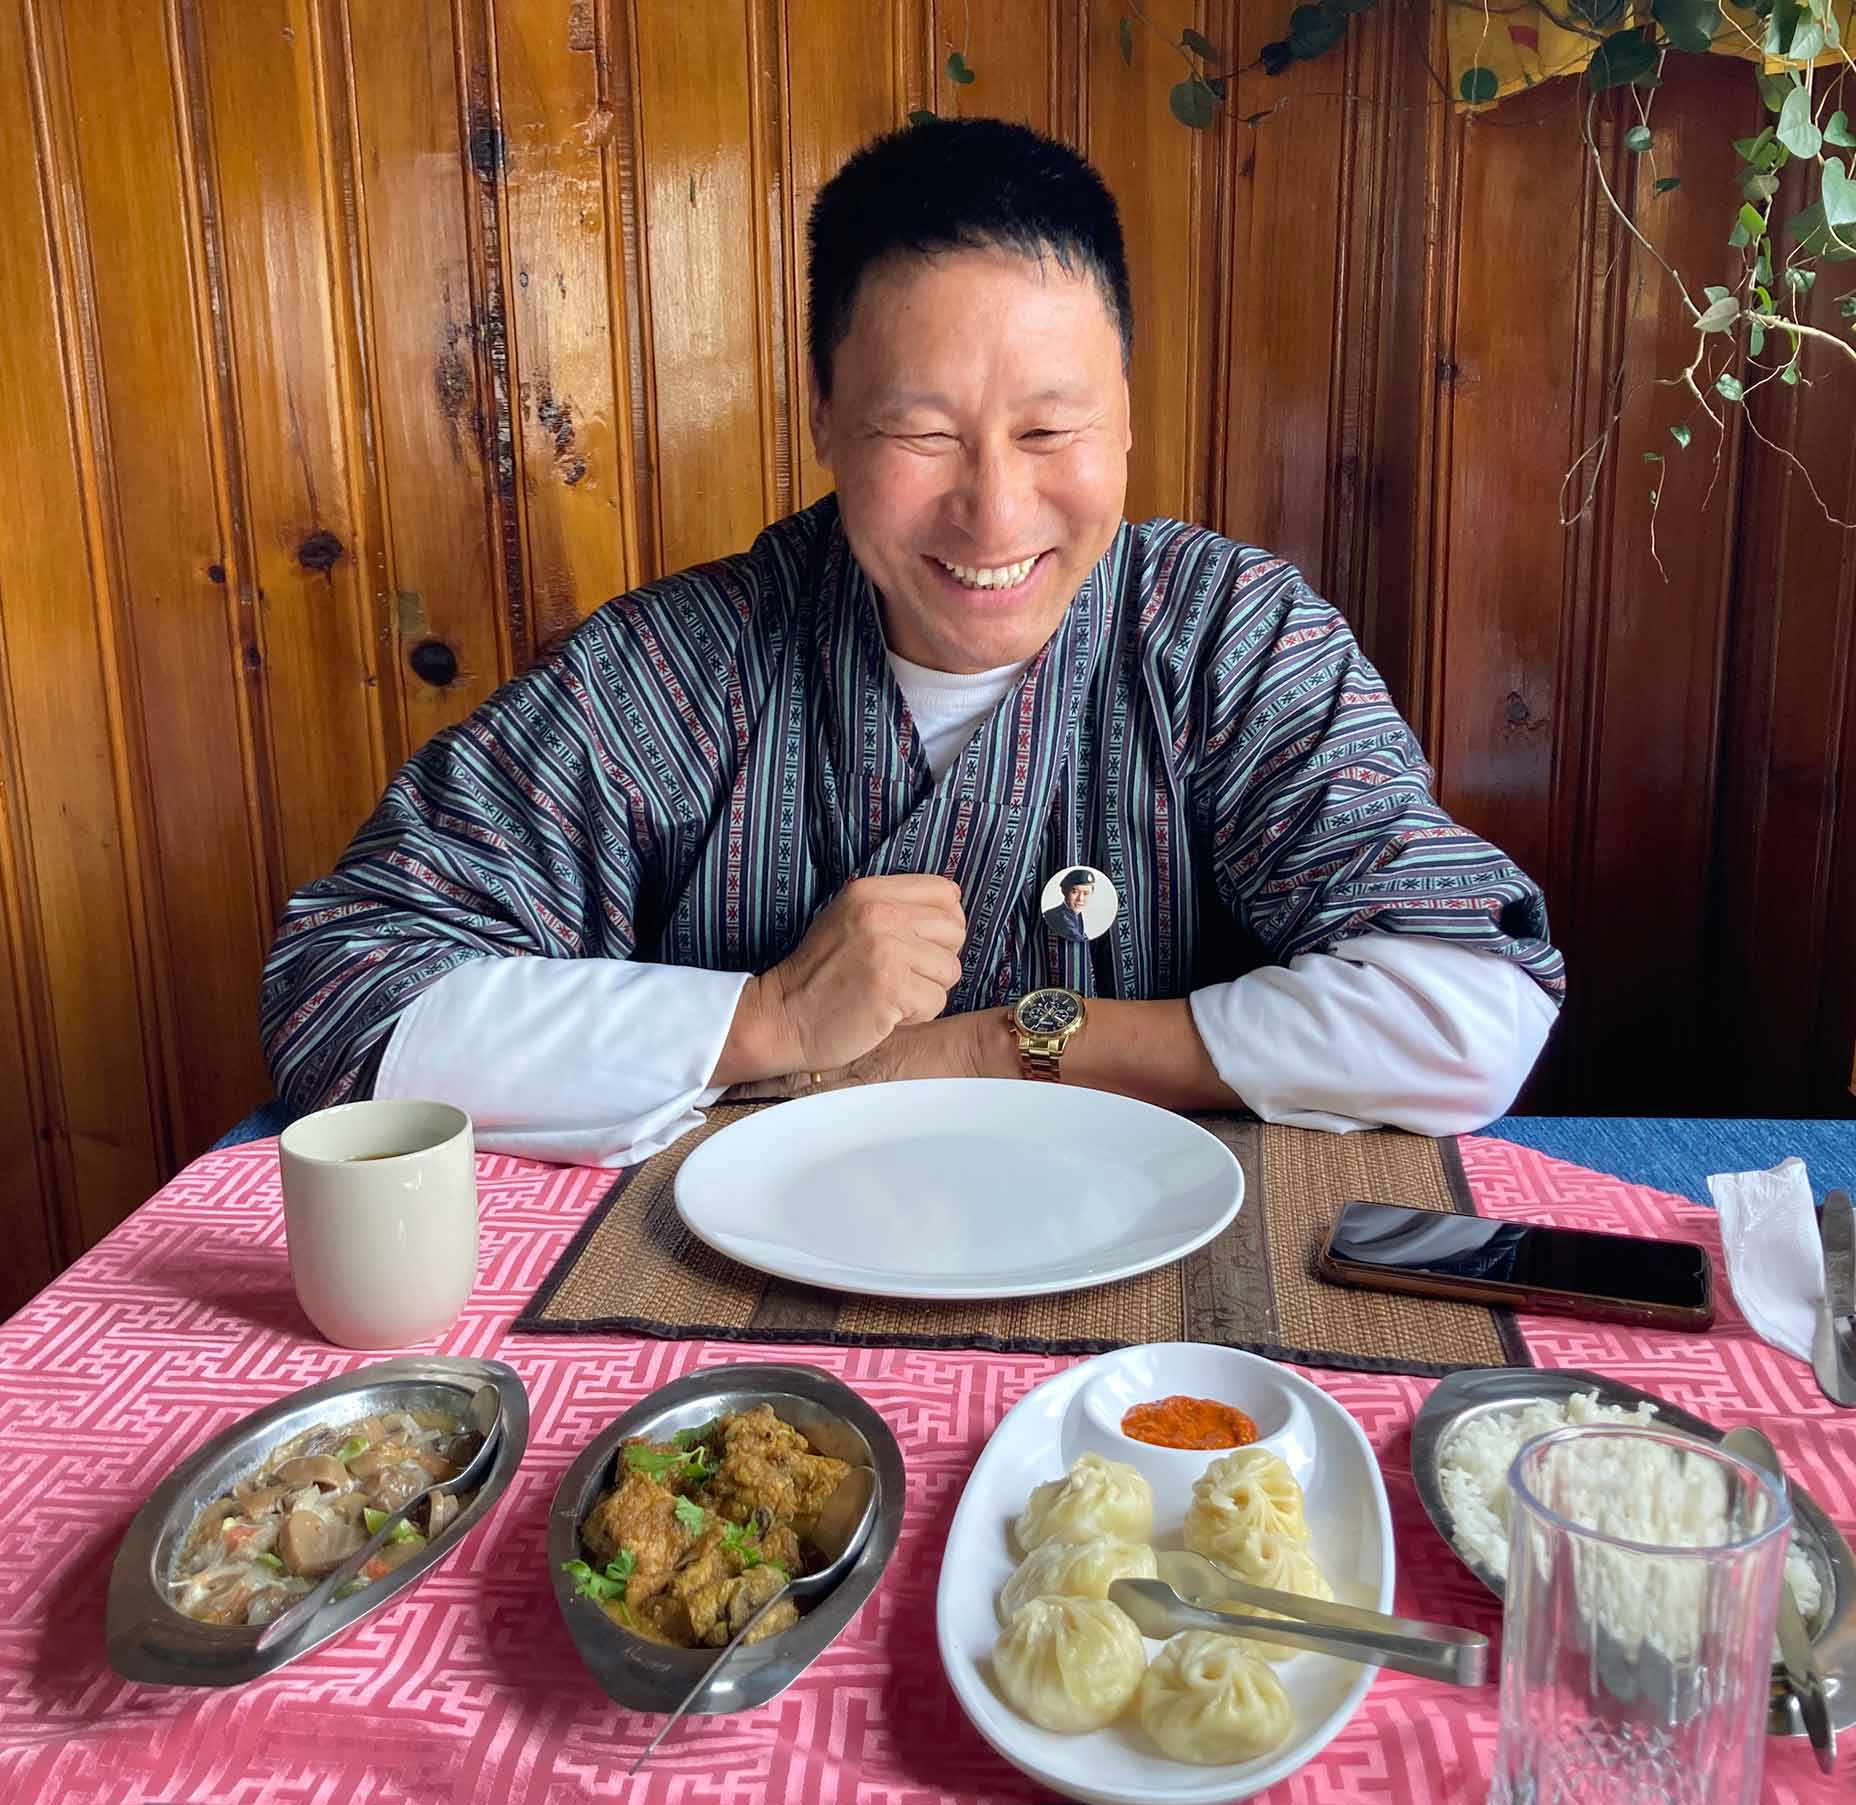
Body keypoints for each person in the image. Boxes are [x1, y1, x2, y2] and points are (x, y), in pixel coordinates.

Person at [262, 118, 1564, 1167]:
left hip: (1149, 1344)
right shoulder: (686, 670)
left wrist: (1014, 1042)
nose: (995, 510)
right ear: (825, 415)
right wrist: (765, 1018)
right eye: (923, 434)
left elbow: (1468, 1004)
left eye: (1050, 431)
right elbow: (342, 994)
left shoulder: (1229, 641)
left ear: (1125, 417)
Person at [1043, 870, 1095, 946]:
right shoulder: (1056, 916)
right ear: (1064, 891)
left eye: (1086, 893)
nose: (1080, 898)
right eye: (1075, 892)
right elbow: (1076, 937)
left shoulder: (1077, 914)